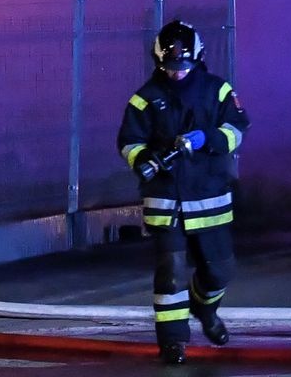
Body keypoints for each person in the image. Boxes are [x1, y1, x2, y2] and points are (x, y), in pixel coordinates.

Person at [117, 18, 249, 364]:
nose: (177, 72)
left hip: (209, 197)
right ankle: (173, 343)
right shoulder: (145, 99)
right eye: (171, 66)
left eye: (184, 64)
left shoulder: (217, 90)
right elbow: (129, 141)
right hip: (166, 200)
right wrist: (145, 158)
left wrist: (210, 138)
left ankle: (205, 311)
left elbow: (237, 128)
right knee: (171, 272)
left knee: (219, 271)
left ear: (198, 57)